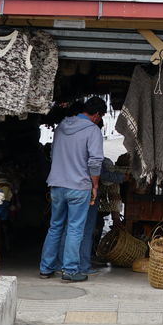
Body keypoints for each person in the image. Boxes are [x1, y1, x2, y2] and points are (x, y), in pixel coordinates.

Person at [39, 96, 105, 281]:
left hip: (57, 184)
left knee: (55, 226)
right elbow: (95, 161)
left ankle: (46, 268)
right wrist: (95, 185)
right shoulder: (92, 130)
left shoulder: (61, 126)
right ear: (97, 115)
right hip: (79, 186)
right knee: (75, 229)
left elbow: (52, 154)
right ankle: (70, 270)